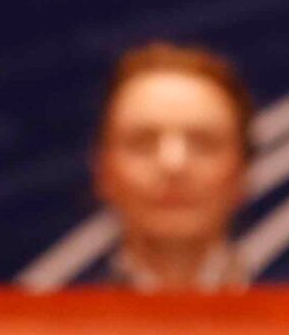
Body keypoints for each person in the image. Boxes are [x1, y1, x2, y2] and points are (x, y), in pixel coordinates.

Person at [91, 41, 254, 292]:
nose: (173, 164)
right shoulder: (43, 326)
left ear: (242, 172)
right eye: (142, 142)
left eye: (203, 142)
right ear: (104, 172)